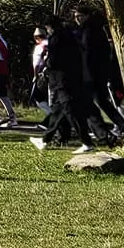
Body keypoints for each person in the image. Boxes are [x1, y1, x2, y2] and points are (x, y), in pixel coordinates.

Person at [33, 16, 94, 150]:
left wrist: (46, 62)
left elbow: (53, 61)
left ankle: (86, 142)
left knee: (70, 111)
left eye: (47, 28)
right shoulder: (71, 37)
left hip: (62, 79)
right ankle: (45, 140)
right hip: (73, 77)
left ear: (50, 27)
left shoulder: (55, 39)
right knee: (58, 111)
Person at [78, 9, 124, 137]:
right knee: (101, 101)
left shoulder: (87, 31)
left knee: (86, 102)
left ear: (87, 16)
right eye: (76, 16)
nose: (77, 18)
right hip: (99, 73)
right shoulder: (97, 30)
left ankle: (99, 130)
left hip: (91, 74)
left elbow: (87, 54)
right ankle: (120, 125)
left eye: (80, 16)